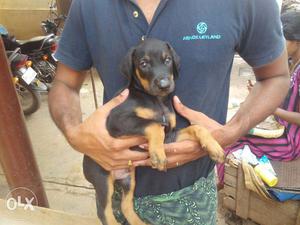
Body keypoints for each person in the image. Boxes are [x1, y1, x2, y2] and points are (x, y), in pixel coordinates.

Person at [48, 0, 290, 224]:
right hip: (116, 183)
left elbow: (276, 77)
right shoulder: (88, 4)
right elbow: (64, 84)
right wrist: (74, 133)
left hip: (194, 193)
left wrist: (231, 132)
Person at [217, 10, 300, 186]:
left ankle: (223, 185)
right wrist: (262, 93)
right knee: (232, 130)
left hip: (290, 141)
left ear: (297, 41)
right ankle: (226, 184)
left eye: (281, 38)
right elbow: (286, 98)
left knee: (232, 140)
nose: (276, 43)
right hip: (279, 127)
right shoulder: (290, 64)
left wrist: (272, 109)